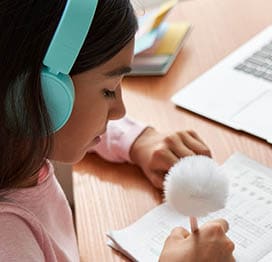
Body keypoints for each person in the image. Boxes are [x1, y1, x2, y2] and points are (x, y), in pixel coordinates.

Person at [0, 0, 235, 261]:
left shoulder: (18, 147)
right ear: (43, 96)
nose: (120, 110)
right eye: (109, 90)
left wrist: (137, 140)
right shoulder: (9, 240)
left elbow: (74, 121)